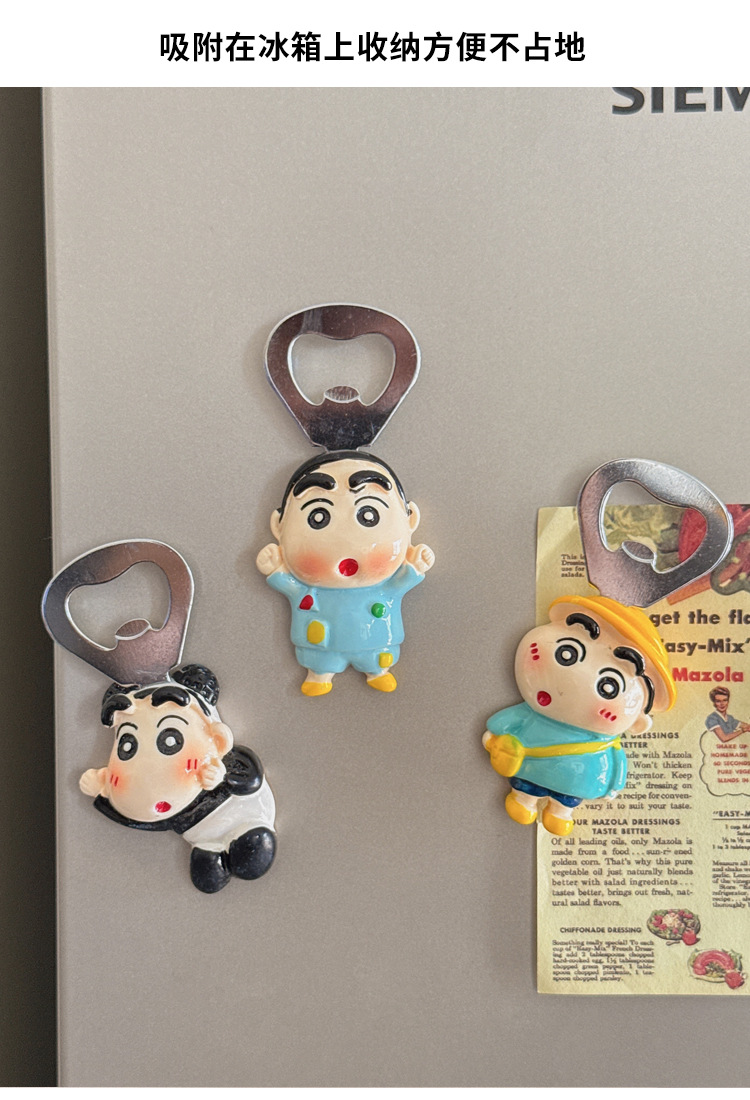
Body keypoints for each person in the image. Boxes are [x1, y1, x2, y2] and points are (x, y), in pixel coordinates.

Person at [483, 595, 676, 836]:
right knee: (527, 786)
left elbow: (617, 761)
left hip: (575, 782)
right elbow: (504, 724)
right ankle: (523, 800)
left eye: (609, 686)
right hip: (529, 769)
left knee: (567, 798)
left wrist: (613, 785)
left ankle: (560, 812)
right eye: (567, 653)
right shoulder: (532, 715)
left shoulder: (606, 742)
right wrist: (494, 736)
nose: (578, 679)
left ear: (638, 722)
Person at [79, 664, 276, 893]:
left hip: (245, 819)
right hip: (202, 840)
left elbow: (250, 779)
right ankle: (211, 853)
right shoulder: (169, 806)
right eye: (127, 746)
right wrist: (103, 791)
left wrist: (222, 775)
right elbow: (143, 817)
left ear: (218, 739)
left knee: (251, 854)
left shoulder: (226, 760)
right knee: (207, 877)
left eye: (170, 740)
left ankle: (250, 838)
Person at [257, 449, 434, 695]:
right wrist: (276, 570)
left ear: (410, 519)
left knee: (377, 657)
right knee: (320, 659)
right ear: (279, 526)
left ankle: (377, 671)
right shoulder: (310, 589)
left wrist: (414, 567)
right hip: (320, 643)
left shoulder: (384, 586)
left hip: (376, 642)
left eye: (369, 515)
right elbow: (291, 588)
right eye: (318, 517)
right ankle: (319, 674)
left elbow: (399, 585)